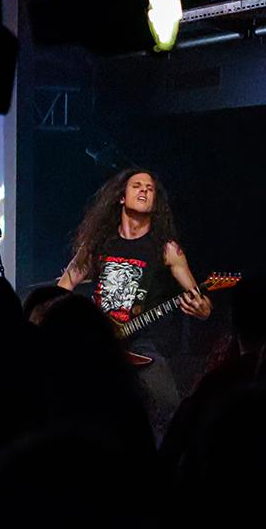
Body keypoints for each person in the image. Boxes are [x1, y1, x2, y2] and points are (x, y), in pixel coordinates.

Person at [55, 168, 211, 443]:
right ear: (121, 197)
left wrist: (203, 308)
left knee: (169, 411)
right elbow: (64, 285)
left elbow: (198, 297)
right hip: (99, 343)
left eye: (150, 189)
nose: (144, 191)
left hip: (144, 347)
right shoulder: (98, 244)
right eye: (137, 186)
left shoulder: (167, 249)